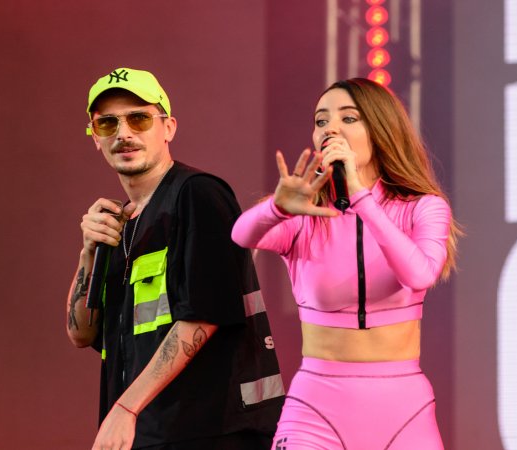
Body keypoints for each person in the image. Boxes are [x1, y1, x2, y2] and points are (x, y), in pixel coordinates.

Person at [232, 77, 461, 449]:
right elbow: (242, 235)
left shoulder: (423, 208)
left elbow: (419, 274)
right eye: (321, 121)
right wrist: (276, 208)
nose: (331, 129)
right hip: (316, 406)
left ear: (381, 130)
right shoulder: (306, 213)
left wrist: (360, 196)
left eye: (348, 118)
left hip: (403, 411)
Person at [66, 67, 284, 450]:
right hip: (146, 433)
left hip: (210, 431)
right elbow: (81, 333)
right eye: (107, 124)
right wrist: (88, 252)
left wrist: (126, 407)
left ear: (168, 128)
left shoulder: (198, 194)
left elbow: (205, 315)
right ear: (95, 138)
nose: (123, 133)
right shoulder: (120, 223)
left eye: (139, 118)